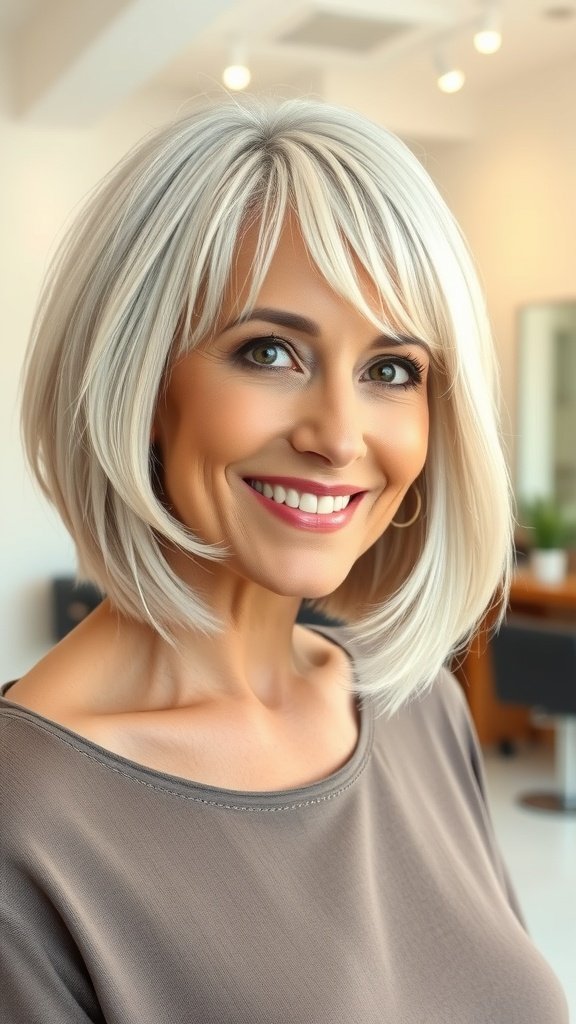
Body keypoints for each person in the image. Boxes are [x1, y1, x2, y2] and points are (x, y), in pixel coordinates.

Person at [0, 97, 568, 1024]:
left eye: (391, 370)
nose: (339, 437)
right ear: (140, 380)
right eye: (269, 352)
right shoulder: (26, 821)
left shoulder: (418, 705)